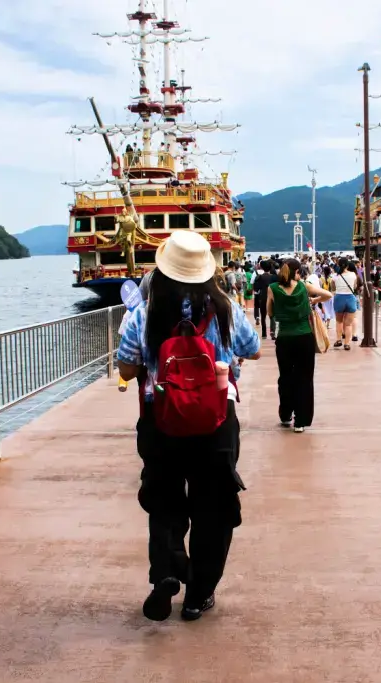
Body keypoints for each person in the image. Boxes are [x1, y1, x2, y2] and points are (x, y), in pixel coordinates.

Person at [116, 231, 261, 622]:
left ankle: (166, 572)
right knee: (214, 507)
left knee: (163, 502)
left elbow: (127, 369)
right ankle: (198, 595)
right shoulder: (225, 306)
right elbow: (254, 348)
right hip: (215, 421)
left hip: (161, 419)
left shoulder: (144, 310)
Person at [268, 258, 332, 432]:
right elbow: (328, 295)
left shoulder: (272, 288)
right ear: (297, 272)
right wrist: (313, 301)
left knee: (286, 377)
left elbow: (270, 312)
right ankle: (301, 421)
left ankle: (286, 414)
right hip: (304, 337)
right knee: (304, 378)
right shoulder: (305, 287)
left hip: (284, 338)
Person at [331, 259, 360, 350]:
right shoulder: (353, 275)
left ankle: (339, 340)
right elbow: (355, 286)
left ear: (338, 265)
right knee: (348, 324)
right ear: (347, 266)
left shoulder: (335, 276)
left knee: (339, 321)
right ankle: (347, 344)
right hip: (350, 298)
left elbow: (333, 287)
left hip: (339, 297)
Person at [252, 260, 276, 339]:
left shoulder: (259, 277)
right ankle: (272, 332)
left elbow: (256, 288)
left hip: (262, 297)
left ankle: (264, 333)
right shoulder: (274, 277)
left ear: (262, 267)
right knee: (272, 315)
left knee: (263, 316)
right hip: (272, 297)